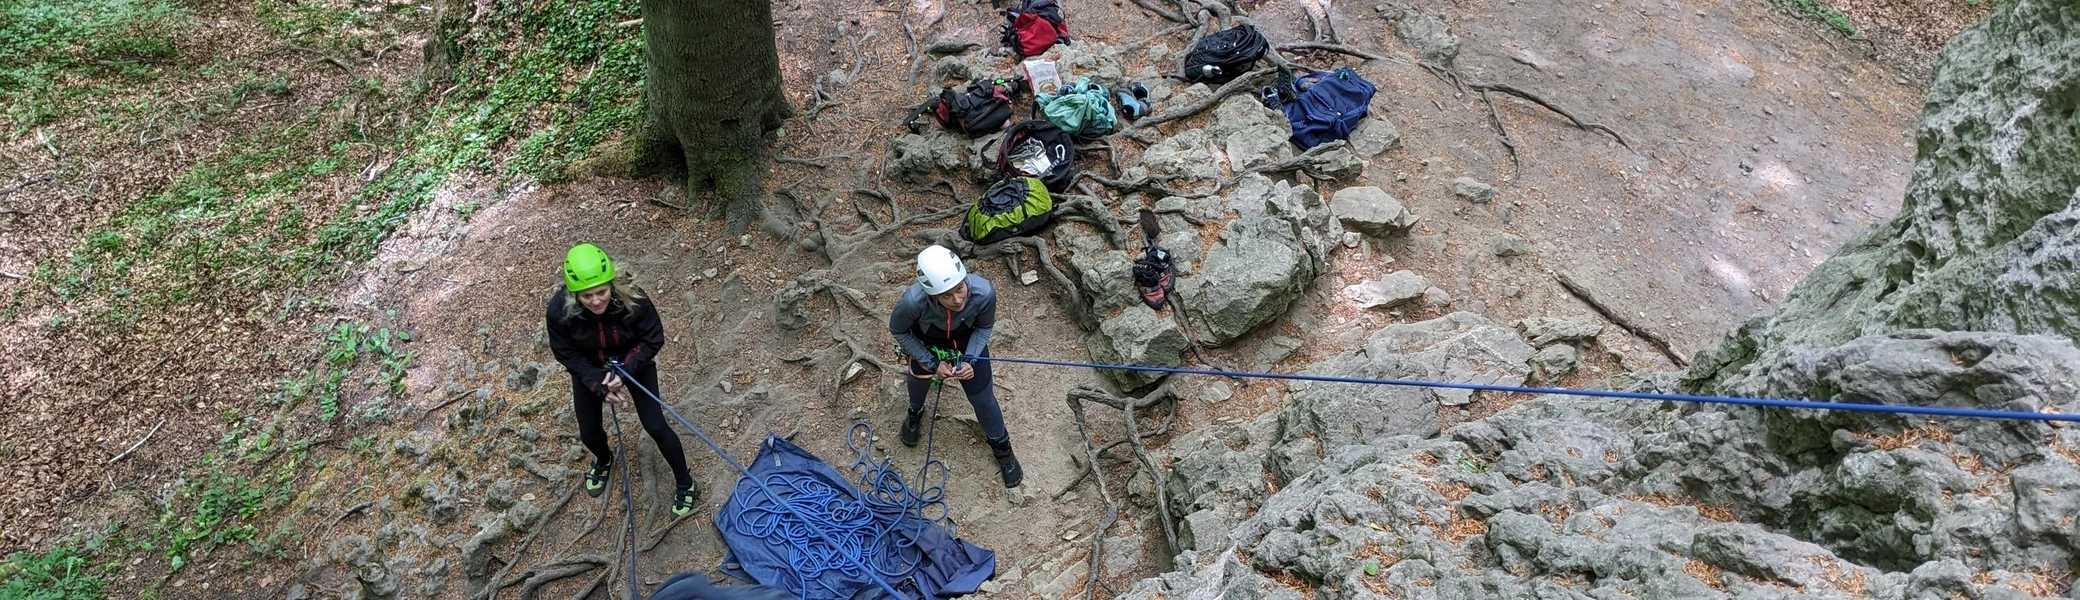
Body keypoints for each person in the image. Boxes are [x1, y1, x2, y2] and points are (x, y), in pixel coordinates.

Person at [545, 243, 699, 516]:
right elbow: (565, 353)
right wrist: (597, 382)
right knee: (589, 432)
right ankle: (604, 459)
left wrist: (625, 370)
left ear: (611, 284)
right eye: (587, 295)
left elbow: (653, 338)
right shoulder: (559, 311)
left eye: (601, 292)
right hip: (590, 368)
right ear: (574, 293)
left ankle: (686, 483)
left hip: (634, 362)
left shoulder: (633, 298)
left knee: (656, 426)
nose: (596, 301)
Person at [888, 245, 1023, 488]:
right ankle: (915, 411)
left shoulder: (983, 293)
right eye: (946, 296)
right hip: (927, 344)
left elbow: (984, 327)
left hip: (966, 343)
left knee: (983, 399)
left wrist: (970, 359)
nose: (957, 300)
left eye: (960, 289)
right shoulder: (913, 303)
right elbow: (899, 330)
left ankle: (1003, 449)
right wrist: (931, 362)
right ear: (933, 296)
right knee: (918, 381)